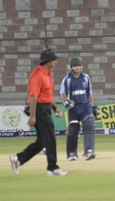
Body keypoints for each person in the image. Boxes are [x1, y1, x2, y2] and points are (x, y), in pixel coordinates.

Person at [10, 48, 67, 177]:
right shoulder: (37, 75)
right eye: (54, 60)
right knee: (50, 139)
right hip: (40, 110)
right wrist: (33, 116)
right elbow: (34, 97)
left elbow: (46, 95)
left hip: (45, 107)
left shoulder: (47, 73)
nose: (56, 62)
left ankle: (19, 159)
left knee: (42, 141)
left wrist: (55, 107)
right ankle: (52, 168)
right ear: (47, 62)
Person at [60, 57, 96, 161]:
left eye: (79, 65)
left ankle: (89, 151)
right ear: (71, 67)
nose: (77, 68)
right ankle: (72, 153)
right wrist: (65, 100)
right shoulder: (67, 79)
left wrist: (92, 105)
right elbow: (62, 93)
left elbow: (90, 93)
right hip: (74, 108)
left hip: (85, 106)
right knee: (73, 130)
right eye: (75, 66)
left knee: (89, 124)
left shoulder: (86, 77)